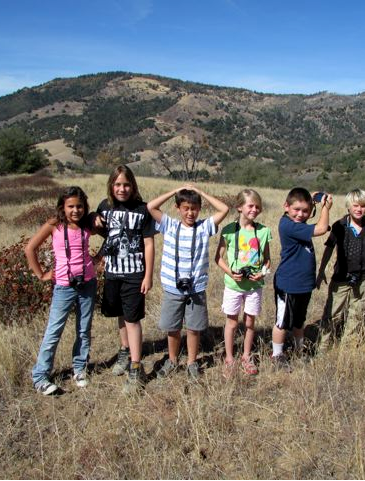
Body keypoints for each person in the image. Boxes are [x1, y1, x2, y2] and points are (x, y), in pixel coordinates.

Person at [147, 184, 229, 380]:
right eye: (185, 208)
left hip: (196, 287)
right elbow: (151, 206)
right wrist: (175, 190)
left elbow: (224, 209)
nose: (190, 213)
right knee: (172, 328)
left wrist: (200, 192)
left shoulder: (204, 227)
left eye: (194, 208)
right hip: (172, 287)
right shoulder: (169, 225)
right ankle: (173, 360)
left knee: (194, 328)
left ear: (199, 209)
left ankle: (192, 361)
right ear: (178, 208)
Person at [26, 186, 100, 395]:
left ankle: (80, 368)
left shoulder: (87, 225)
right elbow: (30, 248)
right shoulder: (54, 225)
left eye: (79, 206)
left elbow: (110, 234)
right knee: (53, 331)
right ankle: (40, 376)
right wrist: (42, 274)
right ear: (62, 207)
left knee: (84, 329)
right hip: (64, 287)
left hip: (87, 283)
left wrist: (98, 258)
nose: (75, 210)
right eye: (70, 206)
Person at [93, 165, 156, 393]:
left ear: (133, 186)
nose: (122, 189)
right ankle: (124, 350)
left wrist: (148, 275)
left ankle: (136, 366)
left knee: (132, 319)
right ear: (111, 185)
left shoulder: (142, 209)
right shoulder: (105, 206)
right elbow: (100, 227)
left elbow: (149, 244)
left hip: (134, 273)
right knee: (120, 314)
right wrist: (94, 218)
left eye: (126, 184)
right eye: (118, 184)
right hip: (112, 271)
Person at [316, 188, 365, 347]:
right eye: (355, 206)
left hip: (362, 277)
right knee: (332, 312)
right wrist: (321, 270)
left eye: (363, 206)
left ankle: (349, 345)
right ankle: (323, 345)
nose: (359, 209)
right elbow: (329, 248)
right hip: (341, 277)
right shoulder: (339, 226)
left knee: (357, 311)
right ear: (348, 207)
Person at [272, 187, 333, 372]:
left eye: (305, 211)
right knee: (282, 322)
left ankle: (299, 351)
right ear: (286, 207)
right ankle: (277, 355)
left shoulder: (297, 224)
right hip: (288, 284)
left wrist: (312, 198)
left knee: (299, 321)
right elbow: (322, 228)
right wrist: (326, 208)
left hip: (303, 284)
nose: (300, 214)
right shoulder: (287, 225)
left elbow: (309, 216)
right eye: (296, 209)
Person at [214, 189, 271, 377]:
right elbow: (218, 258)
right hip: (234, 285)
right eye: (250, 206)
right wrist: (231, 272)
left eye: (257, 206)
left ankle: (246, 356)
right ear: (239, 207)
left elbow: (267, 260)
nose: (254, 209)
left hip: (254, 286)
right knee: (231, 322)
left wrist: (262, 273)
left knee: (249, 322)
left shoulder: (263, 232)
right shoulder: (229, 230)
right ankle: (229, 358)